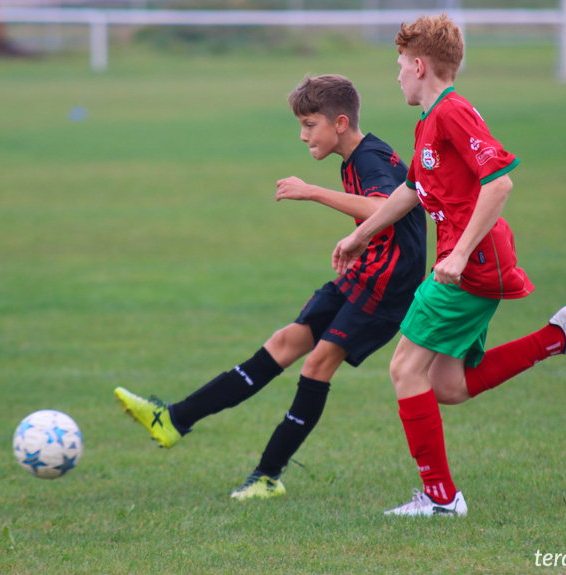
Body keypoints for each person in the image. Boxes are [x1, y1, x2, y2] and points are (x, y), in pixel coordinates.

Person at [332, 14, 566, 518]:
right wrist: (359, 235)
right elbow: (410, 191)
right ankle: (559, 335)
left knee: (404, 368)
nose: (396, 74)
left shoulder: (452, 113)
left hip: (470, 265)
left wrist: (461, 253)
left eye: (399, 65)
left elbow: (500, 182)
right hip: (466, 262)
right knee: (447, 385)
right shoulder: (430, 120)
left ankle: (442, 500)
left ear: (419, 65)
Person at [115, 74, 428, 500]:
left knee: (316, 365)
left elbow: (383, 205)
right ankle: (173, 420)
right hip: (365, 273)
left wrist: (311, 191)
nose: (303, 135)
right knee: (283, 343)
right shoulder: (356, 157)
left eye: (309, 125)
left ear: (339, 123)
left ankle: (267, 476)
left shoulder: (370, 159)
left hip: (386, 288)